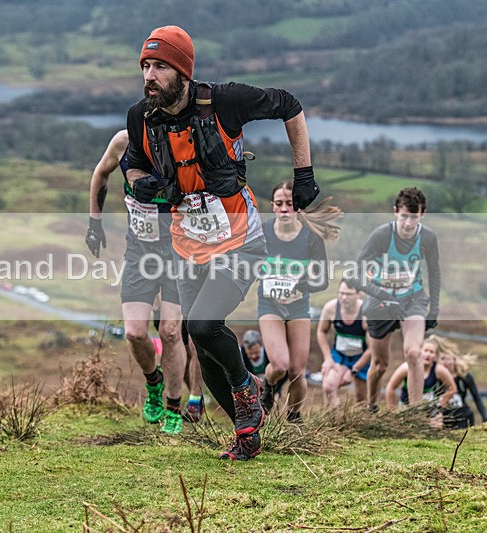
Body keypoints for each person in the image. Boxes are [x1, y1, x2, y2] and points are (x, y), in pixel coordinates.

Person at [125, 25, 321, 460]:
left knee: (200, 325)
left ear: (182, 71)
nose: (149, 76)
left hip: (240, 241)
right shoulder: (141, 117)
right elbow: (133, 166)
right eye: (144, 66)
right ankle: (245, 434)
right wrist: (140, 185)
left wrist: (303, 174)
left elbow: (290, 105)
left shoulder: (224, 101)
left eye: (159, 66)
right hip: (187, 244)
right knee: (203, 345)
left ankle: (247, 388)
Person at [86, 129, 187, 434]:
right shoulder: (123, 141)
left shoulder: (182, 143)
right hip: (139, 252)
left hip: (178, 252)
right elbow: (101, 173)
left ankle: (173, 406)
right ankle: (153, 382)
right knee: (134, 332)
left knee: (170, 331)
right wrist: (95, 223)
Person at [346, 187, 441, 411]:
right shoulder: (381, 235)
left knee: (414, 352)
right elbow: (353, 274)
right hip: (381, 302)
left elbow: (434, 271)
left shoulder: (427, 237)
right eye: (404, 217)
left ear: (423, 214)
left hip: (412, 299)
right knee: (380, 365)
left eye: (414, 218)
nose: (409, 224)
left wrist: (434, 309)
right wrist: (383, 294)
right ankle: (371, 405)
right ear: (395, 212)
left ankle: (415, 414)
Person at [257, 180, 329, 424]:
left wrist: (299, 284)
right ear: (273, 207)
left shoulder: (311, 238)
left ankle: (293, 417)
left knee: (297, 372)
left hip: (298, 306)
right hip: (270, 305)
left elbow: (323, 281)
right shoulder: (263, 232)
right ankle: (268, 386)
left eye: (289, 203)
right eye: (279, 204)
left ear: (297, 206)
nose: (285, 209)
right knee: (279, 364)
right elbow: (247, 262)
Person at [316, 280, 371, 408]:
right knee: (329, 386)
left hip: (362, 357)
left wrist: (353, 371)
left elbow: (372, 349)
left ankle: (357, 424)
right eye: (341, 293)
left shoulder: (366, 314)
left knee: (361, 400)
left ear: (359, 294)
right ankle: (332, 422)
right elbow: (321, 331)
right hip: (340, 354)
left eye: (349, 294)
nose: (344, 298)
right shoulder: (331, 308)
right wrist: (327, 358)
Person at [384, 337, 456, 427]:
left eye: (431, 352)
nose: (428, 355)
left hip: (429, 409)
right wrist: (392, 412)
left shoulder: (438, 370)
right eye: (425, 350)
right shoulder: (406, 368)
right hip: (406, 408)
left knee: (436, 425)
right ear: (420, 352)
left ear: (435, 356)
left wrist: (440, 405)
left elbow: (452, 389)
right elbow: (390, 388)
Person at [432, 335, 487, 428]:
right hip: (444, 420)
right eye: (442, 359)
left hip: (464, 418)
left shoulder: (465, 377)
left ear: (454, 360)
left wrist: (485, 417)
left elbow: (477, 398)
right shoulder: (435, 377)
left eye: (448, 359)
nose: (446, 363)